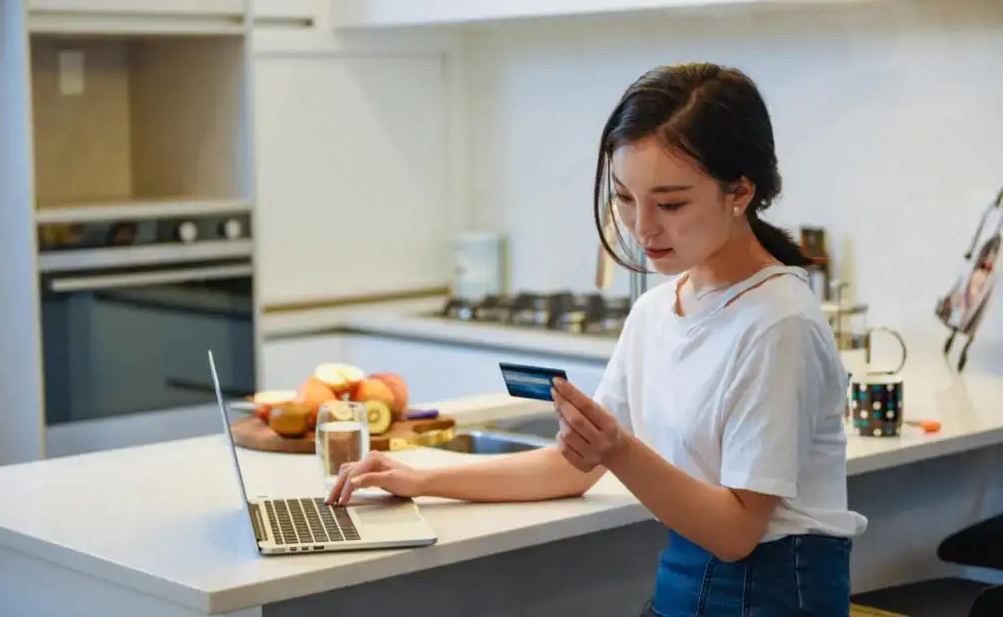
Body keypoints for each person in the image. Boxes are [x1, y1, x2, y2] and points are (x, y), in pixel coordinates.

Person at [327, 63, 868, 616]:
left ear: (740, 192)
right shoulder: (658, 310)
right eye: (625, 198)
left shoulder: (779, 323)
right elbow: (571, 466)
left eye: (671, 203)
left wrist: (617, 448)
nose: (642, 227)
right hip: (687, 594)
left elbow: (735, 533)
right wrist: (422, 478)